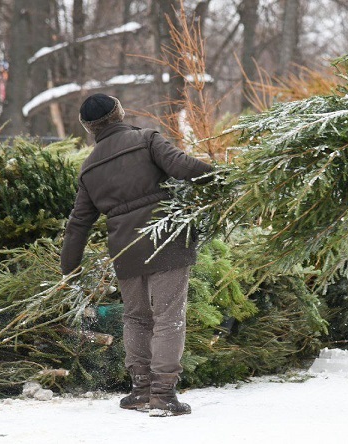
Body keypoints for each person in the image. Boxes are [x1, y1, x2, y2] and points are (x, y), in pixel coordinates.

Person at [60, 93, 212, 416]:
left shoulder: (89, 168)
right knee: (169, 315)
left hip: (126, 252)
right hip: (165, 239)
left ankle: (141, 389)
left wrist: (68, 270)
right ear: (119, 113)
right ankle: (163, 394)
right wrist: (217, 176)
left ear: (89, 128)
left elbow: (78, 225)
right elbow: (183, 167)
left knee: (136, 317)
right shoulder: (146, 141)